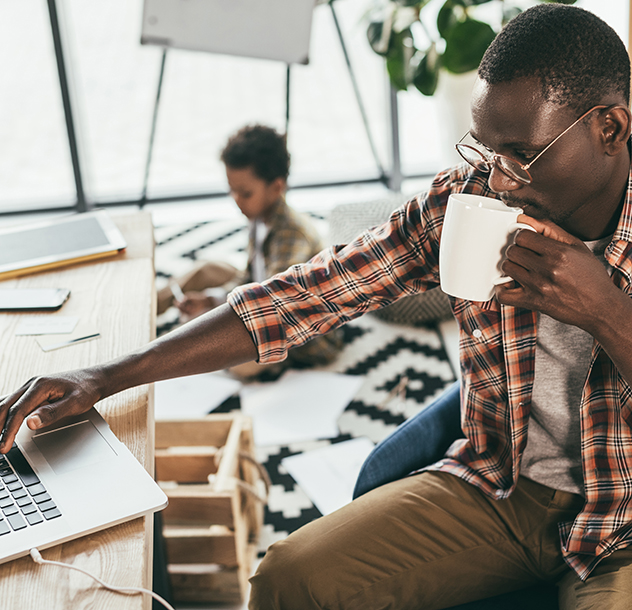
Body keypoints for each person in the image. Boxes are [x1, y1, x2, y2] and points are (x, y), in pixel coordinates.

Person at [1, 4, 632, 608]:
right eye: (487, 152)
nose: (495, 180)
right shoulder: (470, 201)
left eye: (523, 157)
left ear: (610, 128)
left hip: (621, 528)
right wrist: (107, 375)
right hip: (501, 487)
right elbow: (308, 293)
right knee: (288, 579)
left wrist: (605, 309)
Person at [157, 124, 342, 376]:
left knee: (240, 365)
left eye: (244, 193)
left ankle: (170, 354)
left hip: (297, 329)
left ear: (277, 187)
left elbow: (271, 306)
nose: (236, 200)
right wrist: (210, 299)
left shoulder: (291, 236)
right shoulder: (259, 213)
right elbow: (250, 277)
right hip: (263, 294)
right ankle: (148, 307)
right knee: (207, 269)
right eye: (231, 190)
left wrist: (211, 324)